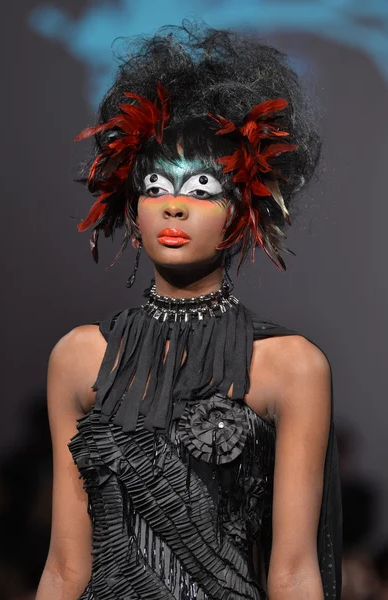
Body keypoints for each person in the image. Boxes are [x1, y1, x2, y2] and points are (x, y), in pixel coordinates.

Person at [36, 22, 342, 600]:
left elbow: (295, 572)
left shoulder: (291, 366)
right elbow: (64, 567)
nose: (174, 205)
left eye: (203, 188)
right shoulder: (78, 358)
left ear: (242, 213)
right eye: (154, 185)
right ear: (131, 209)